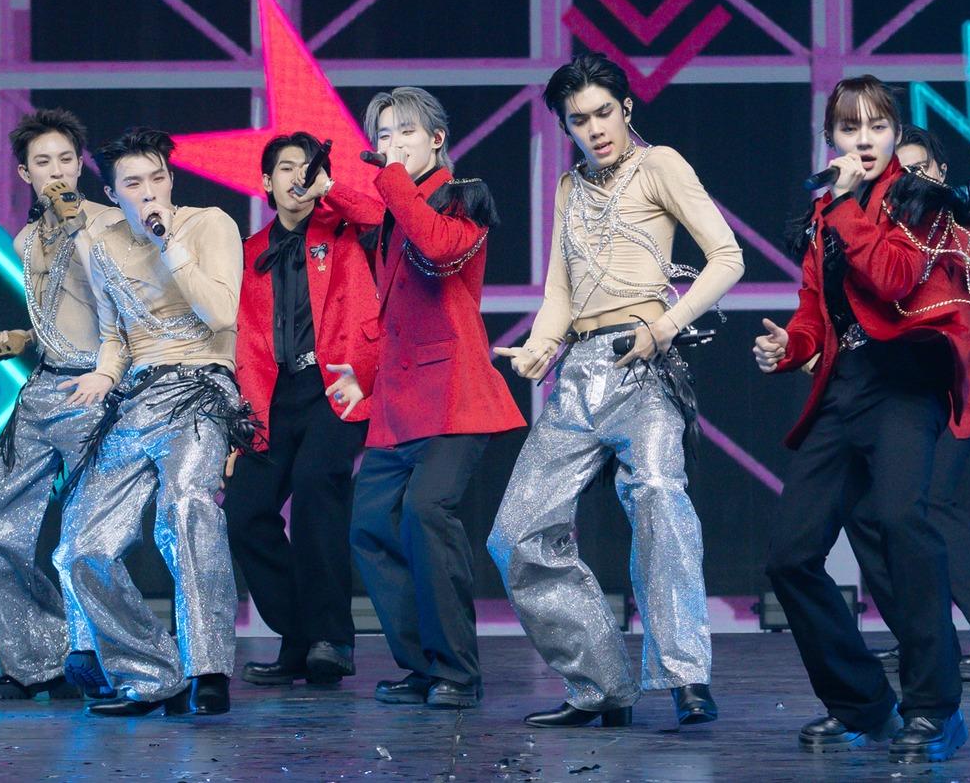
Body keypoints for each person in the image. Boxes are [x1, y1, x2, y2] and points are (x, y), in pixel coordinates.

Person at [753, 77, 970, 765]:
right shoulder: (826, 212)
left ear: (894, 132)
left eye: (877, 126)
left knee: (903, 526)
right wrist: (788, 346)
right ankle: (863, 704)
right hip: (844, 386)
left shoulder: (919, 202)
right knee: (790, 555)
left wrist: (847, 205)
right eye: (849, 128)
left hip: (905, 380)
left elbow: (893, 278)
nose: (864, 140)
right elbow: (816, 307)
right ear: (831, 137)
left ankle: (936, 709)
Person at [489, 53, 744, 728]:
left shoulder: (660, 164)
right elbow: (561, 290)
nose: (595, 128)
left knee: (659, 499)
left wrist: (664, 327)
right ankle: (601, 683)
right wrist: (541, 346)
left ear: (626, 107)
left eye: (604, 112)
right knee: (514, 534)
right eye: (579, 119)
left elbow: (728, 257)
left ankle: (686, 676)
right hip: (579, 372)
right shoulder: (569, 187)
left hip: (644, 365)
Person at [319, 87, 525, 711]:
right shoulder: (392, 210)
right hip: (398, 402)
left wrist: (389, 182)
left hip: (454, 394)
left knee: (426, 514)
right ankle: (421, 663)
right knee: (370, 526)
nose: (392, 145)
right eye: (382, 135)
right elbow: (392, 302)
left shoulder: (465, 198)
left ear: (436, 139)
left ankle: (458, 671)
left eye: (405, 132)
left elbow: (437, 247)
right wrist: (367, 376)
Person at [56, 128, 247, 717]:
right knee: (80, 546)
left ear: (170, 180)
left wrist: (169, 244)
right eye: (133, 183)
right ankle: (150, 671)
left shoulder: (208, 223)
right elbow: (115, 335)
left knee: (186, 508)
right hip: (137, 398)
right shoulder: (100, 245)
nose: (148, 192)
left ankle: (208, 669)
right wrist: (103, 375)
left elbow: (222, 313)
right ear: (112, 194)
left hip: (200, 388)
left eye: (157, 178)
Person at [847, 125, 970, 682]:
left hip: (963, 375)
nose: (912, 181)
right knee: (868, 511)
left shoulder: (969, 220)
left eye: (921, 169)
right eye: (901, 172)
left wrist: (931, 215)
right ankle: (923, 637)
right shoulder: (882, 230)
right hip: (903, 380)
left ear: (942, 173)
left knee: (932, 503)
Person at [226, 132, 381, 688]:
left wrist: (330, 189)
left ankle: (331, 640)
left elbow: (380, 213)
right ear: (266, 182)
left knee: (318, 488)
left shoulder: (347, 231)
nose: (298, 176)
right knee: (244, 512)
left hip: (334, 385)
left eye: (307, 168)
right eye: (286, 168)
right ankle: (299, 636)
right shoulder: (247, 251)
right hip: (268, 396)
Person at [0, 108, 113, 702]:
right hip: (42, 389)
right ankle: (38, 659)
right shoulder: (25, 241)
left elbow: (123, 307)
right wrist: (24, 338)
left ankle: (98, 659)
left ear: (80, 165)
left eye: (65, 160)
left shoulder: (108, 223)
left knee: (84, 538)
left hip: (98, 391)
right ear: (24, 173)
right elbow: (62, 311)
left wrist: (78, 226)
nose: (56, 171)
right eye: (43, 162)